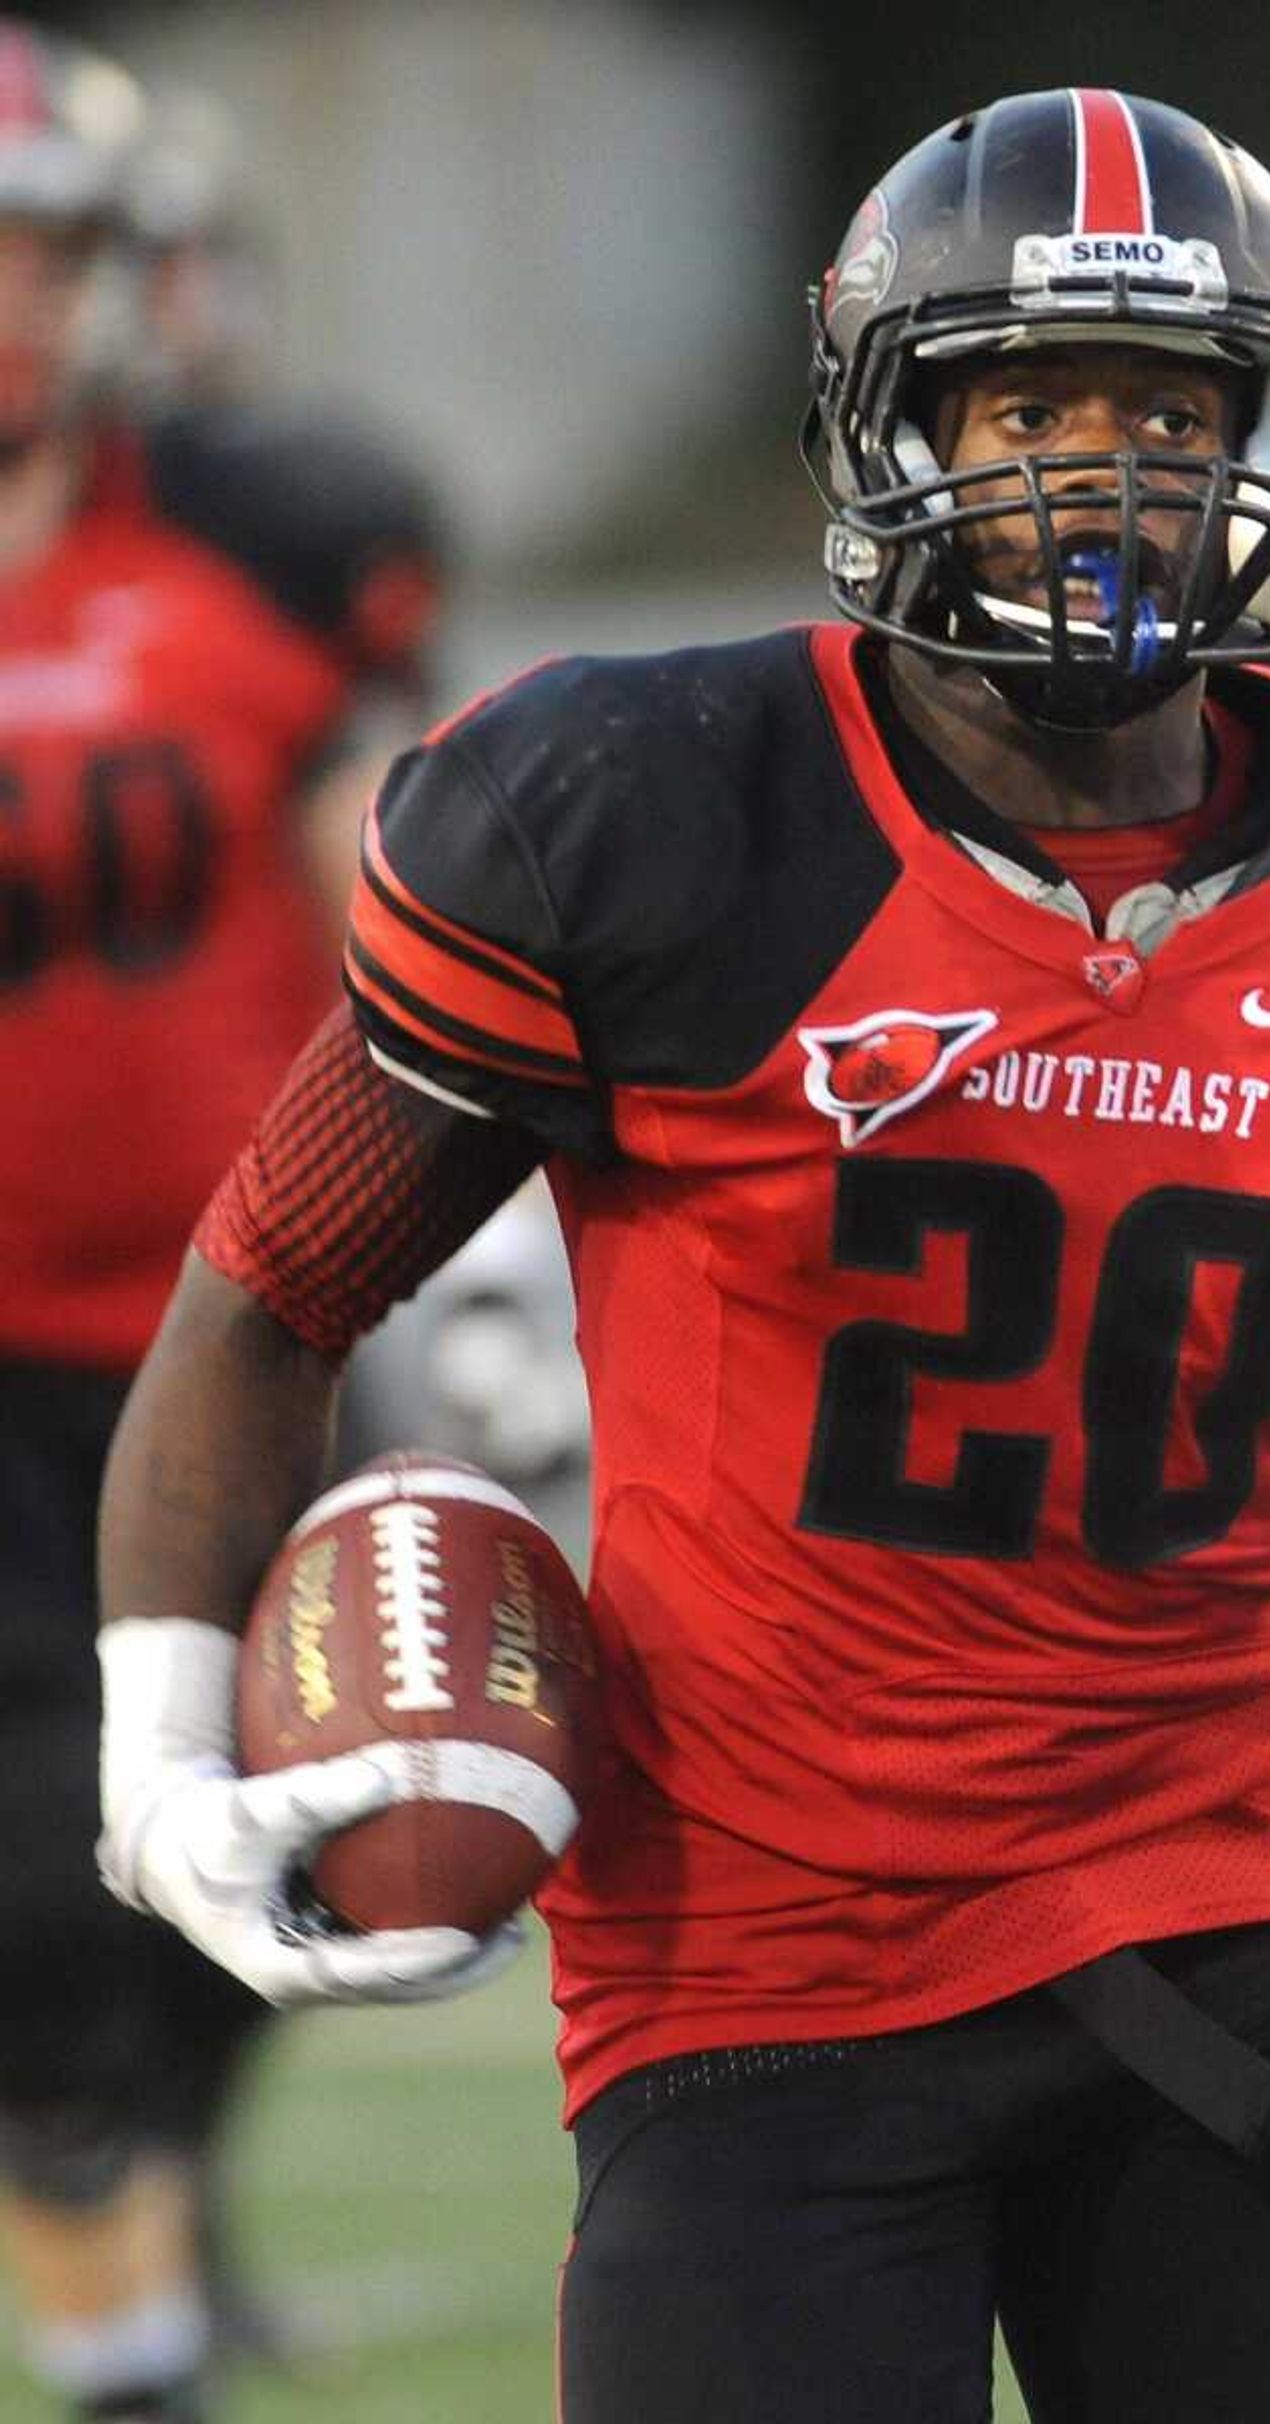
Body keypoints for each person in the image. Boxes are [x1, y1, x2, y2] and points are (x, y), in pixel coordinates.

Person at [93, 87, 1270, 2424]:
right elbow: (273, 1295)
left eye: (1169, 410)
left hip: (1212, 1906)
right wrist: (150, 1753)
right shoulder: (642, 821)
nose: (1098, 474)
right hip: (751, 1952)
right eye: (1021, 404)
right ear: (880, 421)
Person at [0, 26, 444, 2421]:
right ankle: (131, 2343)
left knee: (284, 1854)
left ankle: (139, 2200)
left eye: (35, 248)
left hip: (235, 1324)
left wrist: (476, 1260)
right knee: (37, 1906)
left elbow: (408, 916)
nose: (8, 300)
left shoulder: (267, 527)